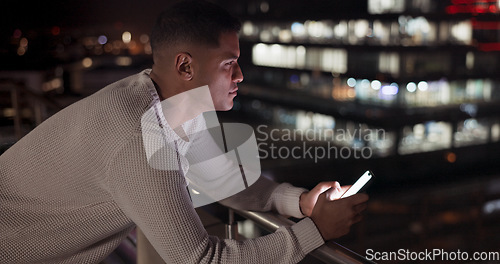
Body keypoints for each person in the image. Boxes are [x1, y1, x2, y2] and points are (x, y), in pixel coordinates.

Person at [0, 0, 368, 263]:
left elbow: (221, 179)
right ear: (186, 66)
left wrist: (301, 202)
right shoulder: (140, 135)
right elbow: (201, 259)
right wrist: (315, 231)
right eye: (229, 64)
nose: (240, 76)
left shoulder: (167, 101)